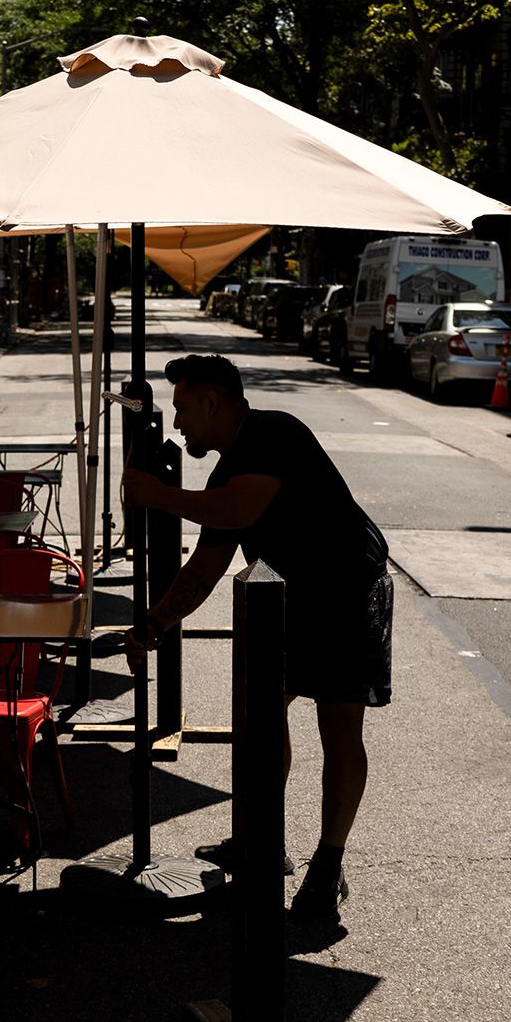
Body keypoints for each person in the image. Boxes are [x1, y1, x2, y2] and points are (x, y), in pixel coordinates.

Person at [122, 354, 390, 924]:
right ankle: (261, 841)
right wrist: (153, 624)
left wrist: (155, 495)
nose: (178, 425)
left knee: (339, 724)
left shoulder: (273, 432)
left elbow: (234, 508)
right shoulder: (227, 468)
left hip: (348, 587)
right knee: (260, 715)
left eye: (183, 409)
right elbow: (202, 570)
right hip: (287, 600)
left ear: (212, 402)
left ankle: (328, 866)